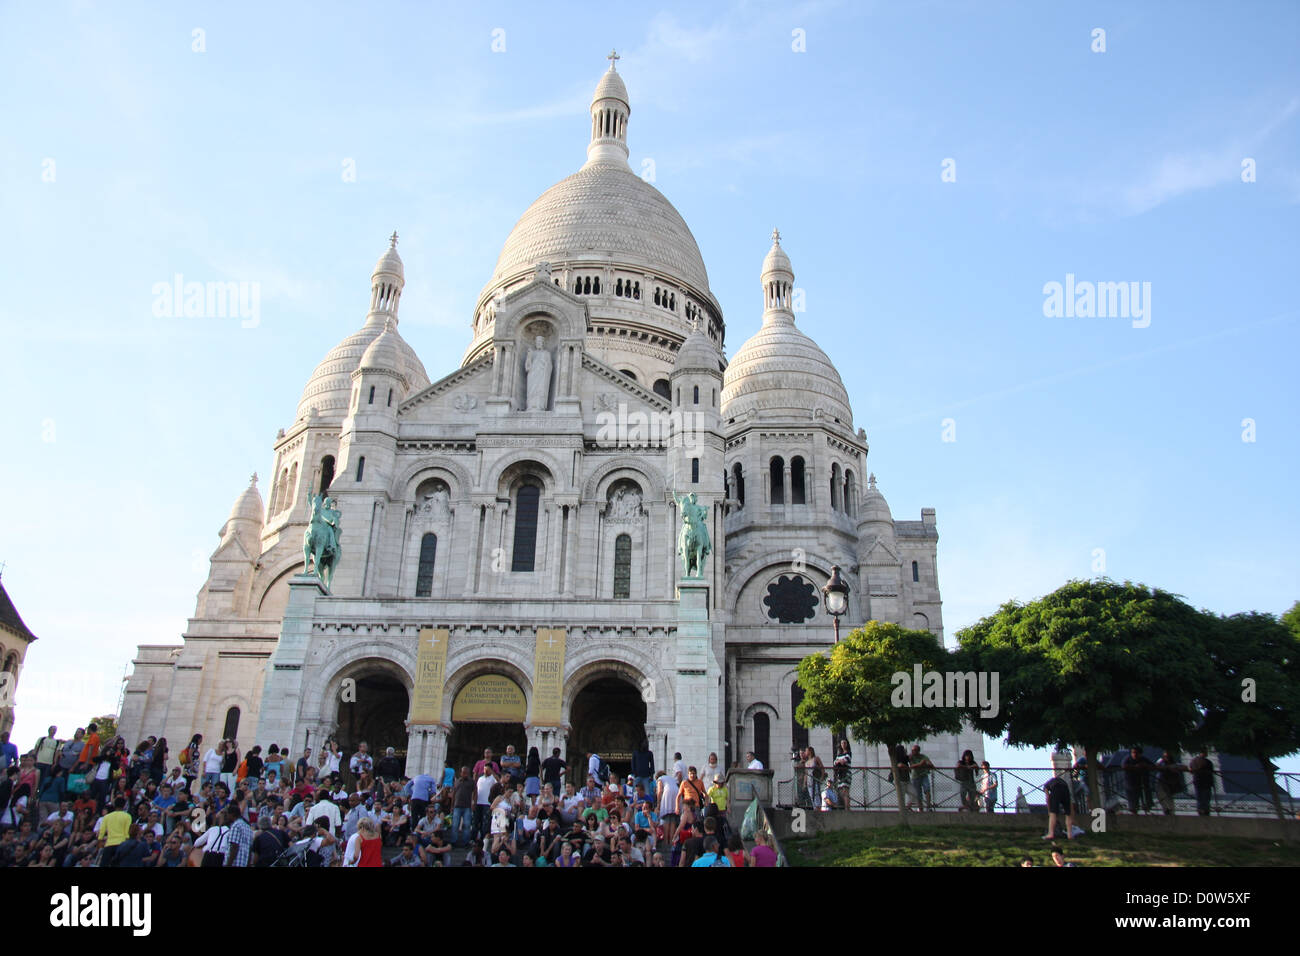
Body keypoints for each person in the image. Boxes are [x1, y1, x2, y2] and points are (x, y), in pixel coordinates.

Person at [1042, 774, 1074, 841]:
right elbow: (1070, 803)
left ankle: (1050, 834)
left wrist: (1049, 810)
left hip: (1056, 789)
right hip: (1066, 789)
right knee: (1068, 814)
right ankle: (1069, 835)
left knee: (1053, 813)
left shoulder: (1046, 786)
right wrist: (1070, 810)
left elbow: (1047, 798)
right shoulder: (1061, 781)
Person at [1188, 749, 1215, 816]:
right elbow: (1211, 772)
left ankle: (1201, 810)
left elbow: (1191, 770)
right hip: (1205, 782)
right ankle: (1205, 810)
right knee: (1205, 798)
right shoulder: (1207, 762)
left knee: (1200, 798)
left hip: (1198, 781)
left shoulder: (1194, 761)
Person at [908, 745, 934, 810]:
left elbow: (931, 765)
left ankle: (928, 806)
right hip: (915, 776)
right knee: (918, 793)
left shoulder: (923, 756)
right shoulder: (911, 757)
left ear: (918, 751)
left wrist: (925, 764)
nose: (913, 752)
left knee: (927, 789)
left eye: (914, 750)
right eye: (912, 750)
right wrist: (920, 764)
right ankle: (920, 808)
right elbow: (912, 766)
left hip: (924, 775)